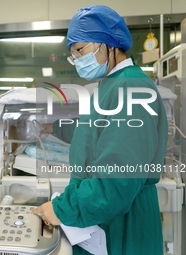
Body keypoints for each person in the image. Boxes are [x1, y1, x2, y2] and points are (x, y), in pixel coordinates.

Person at [32, 5, 168, 255]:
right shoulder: (114, 85)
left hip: (122, 225)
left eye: (80, 50)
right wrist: (55, 127)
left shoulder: (130, 88)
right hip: (108, 216)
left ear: (109, 44)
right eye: (73, 55)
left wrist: (62, 209)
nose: (77, 61)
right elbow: (94, 133)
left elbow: (116, 182)